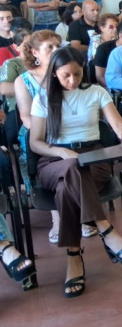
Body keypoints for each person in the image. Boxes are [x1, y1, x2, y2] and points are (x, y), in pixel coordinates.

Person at [30, 46, 122, 297]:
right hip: (53, 160)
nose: (73, 81)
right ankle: (106, 230)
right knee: (71, 167)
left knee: (66, 188)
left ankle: (74, 257)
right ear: (54, 74)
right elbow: (35, 142)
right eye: (66, 76)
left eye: (78, 74)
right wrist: (62, 153)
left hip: (93, 158)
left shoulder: (96, 92)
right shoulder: (42, 98)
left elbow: (118, 123)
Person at [14, 30, 62, 244]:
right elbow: (26, 117)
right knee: (47, 155)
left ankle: (84, 213)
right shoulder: (23, 80)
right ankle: (57, 217)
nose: (56, 51)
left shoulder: (65, 72)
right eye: (49, 47)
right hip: (38, 131)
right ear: (34, 52)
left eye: (57, 46)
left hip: (67, 127)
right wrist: (50, 134)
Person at [95, 19, 122, 88]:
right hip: (115, 90)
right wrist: (114, 92)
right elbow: (100, 77)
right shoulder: (103, 49)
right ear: (121, 36)